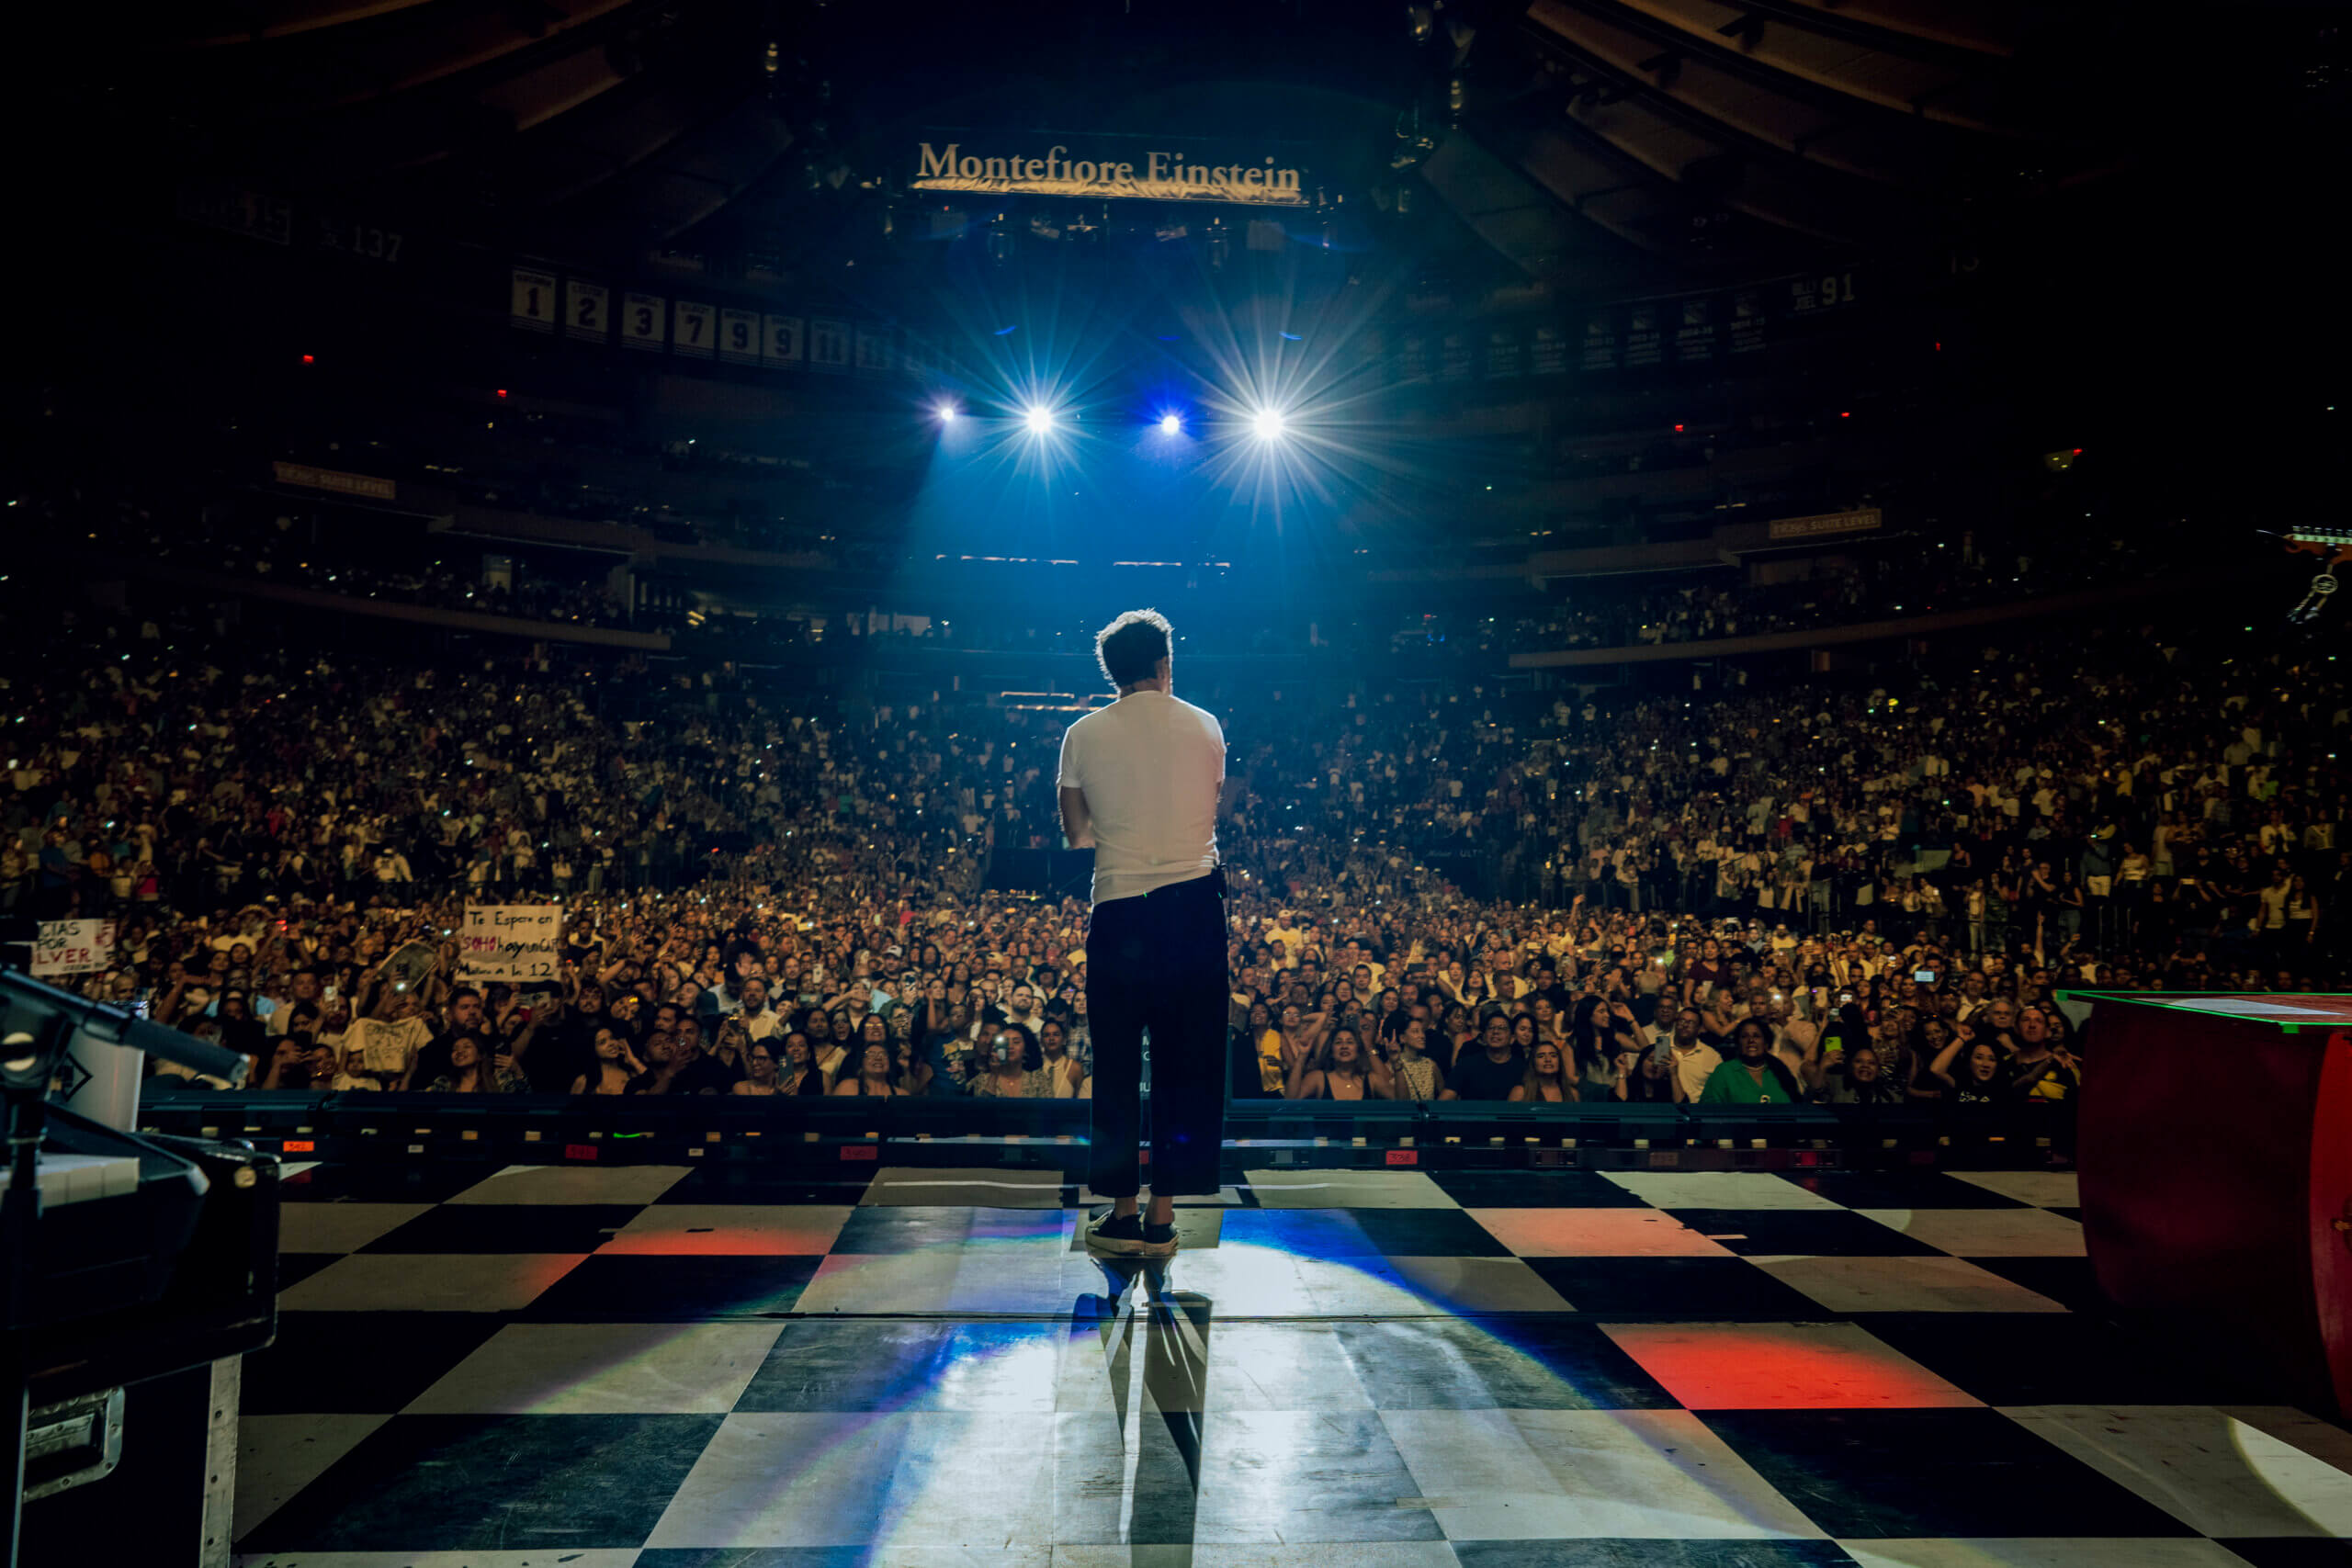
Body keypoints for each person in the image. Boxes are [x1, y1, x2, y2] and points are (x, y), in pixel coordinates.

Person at [1060, 610, 1227, 1258]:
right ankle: (1164, 1216)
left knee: (1117, 1063)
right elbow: (1208, 805)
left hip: (1121, 908)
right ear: (1164, 663)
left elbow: (1077, 833)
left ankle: (1122, 1212)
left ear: (1112, 672)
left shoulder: (1082, 733)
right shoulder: (1206, 725)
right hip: (1194, 908)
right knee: (1190, 1062)